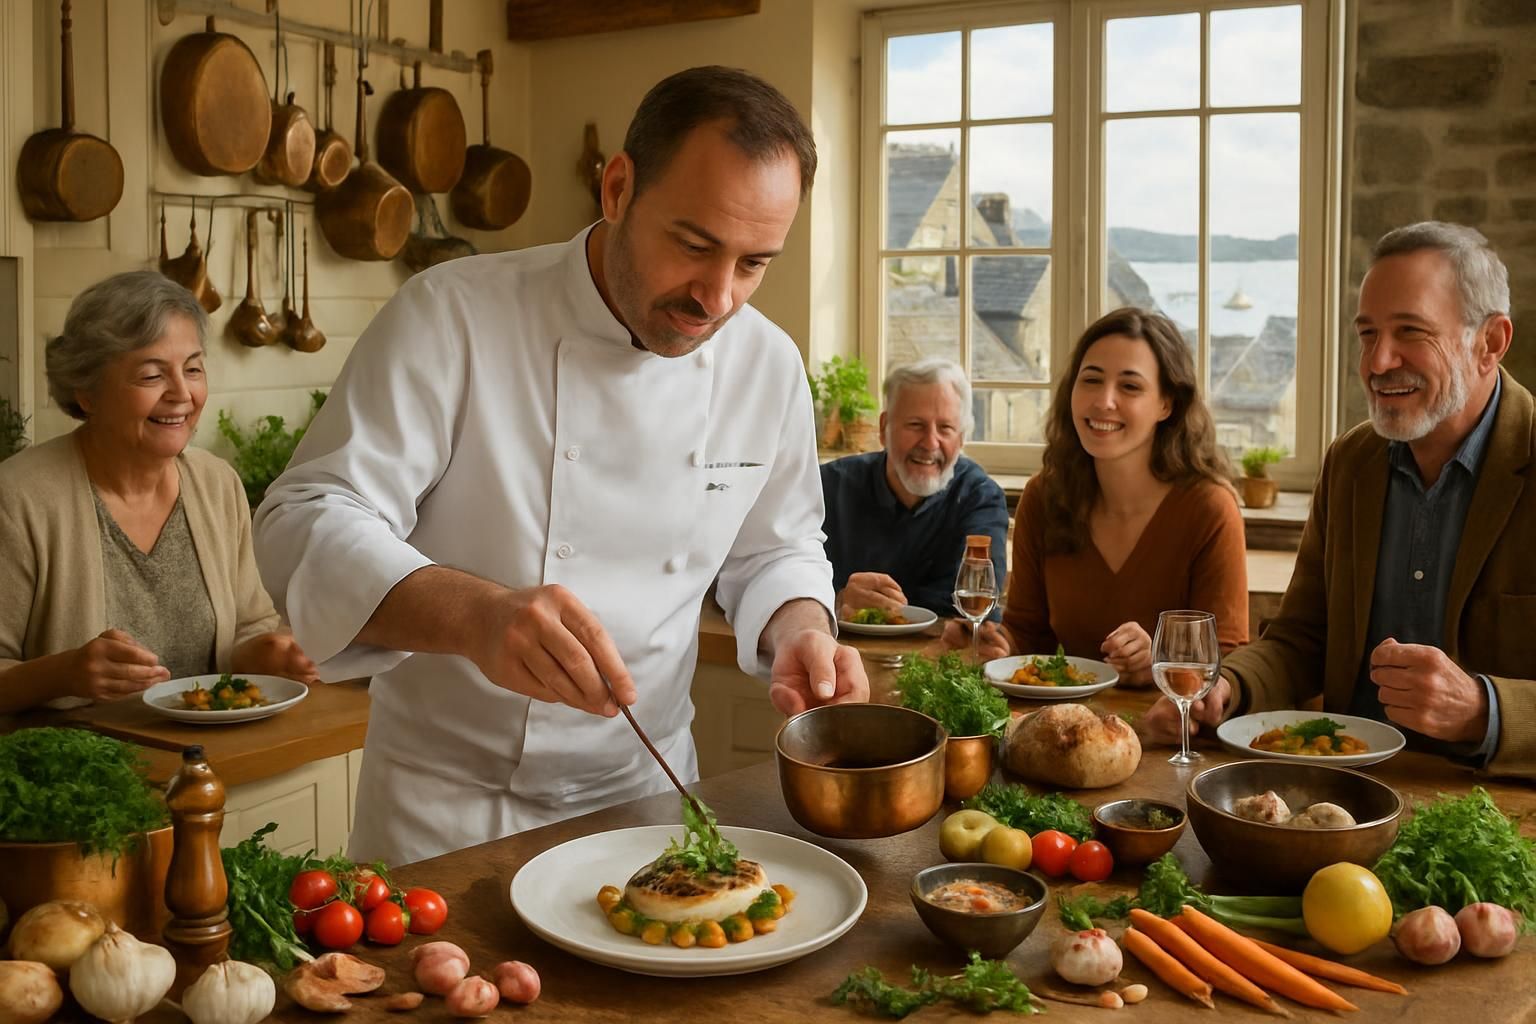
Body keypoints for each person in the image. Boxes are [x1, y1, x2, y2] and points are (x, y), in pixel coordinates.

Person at [253, 66, 870, 865]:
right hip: (446, 815)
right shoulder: (454, 316)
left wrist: (801, 628)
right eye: (694, 245)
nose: (717, 298)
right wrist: (477, 616)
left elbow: (777, 547)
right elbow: (304, 517)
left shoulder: (767, 365)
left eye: (754, 264)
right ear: (617, 187)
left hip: (646, 800)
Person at [1141, 222, 1536, 778]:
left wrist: (1483, 711)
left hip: (1497, 822)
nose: (1377, 363)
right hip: (1343, 800)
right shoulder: (1352, 463)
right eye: (1368, 334)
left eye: (1410, 332)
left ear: (1490, 342)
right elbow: (1304, 638)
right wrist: (1228, 686)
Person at [0, 272, 316, 716]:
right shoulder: (18, 498)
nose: (183, 395)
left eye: (192, 369)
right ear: (87, 393)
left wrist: (270, 654)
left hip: (217, 760)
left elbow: (247, 629)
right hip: (81, 774)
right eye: (152, 375)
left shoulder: (217, 485)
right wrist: (65, 673)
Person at [944, 308, 1248, 685]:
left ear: (1167, 404)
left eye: (1130, 386)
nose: (1104, 401)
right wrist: (990, 645)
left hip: (1167, 731)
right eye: (1091, 380)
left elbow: (1229, 661)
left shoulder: (1209, 509)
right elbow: (1028, 633)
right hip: (1062, 726)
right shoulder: (1044, 497)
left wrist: (1160, 663)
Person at [819, 358, 1008, 622]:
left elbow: (976, 607)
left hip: (942, 658)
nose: (930, 443)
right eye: (916, 425)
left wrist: (879, 610)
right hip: (839, 656)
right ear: (884, 428)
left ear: (962, 438)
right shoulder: (827, 487)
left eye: (946, 428)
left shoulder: (980, 498)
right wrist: (837, 601)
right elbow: (786, 580)